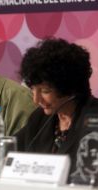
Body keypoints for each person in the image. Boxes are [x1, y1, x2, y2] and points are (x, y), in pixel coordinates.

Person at [15, 37, 98, 180]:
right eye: (33, 90)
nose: (36, 100)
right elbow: (8, 149)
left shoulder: (94, 117)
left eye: (45, 91)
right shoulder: (39, 118)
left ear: (70, 87)